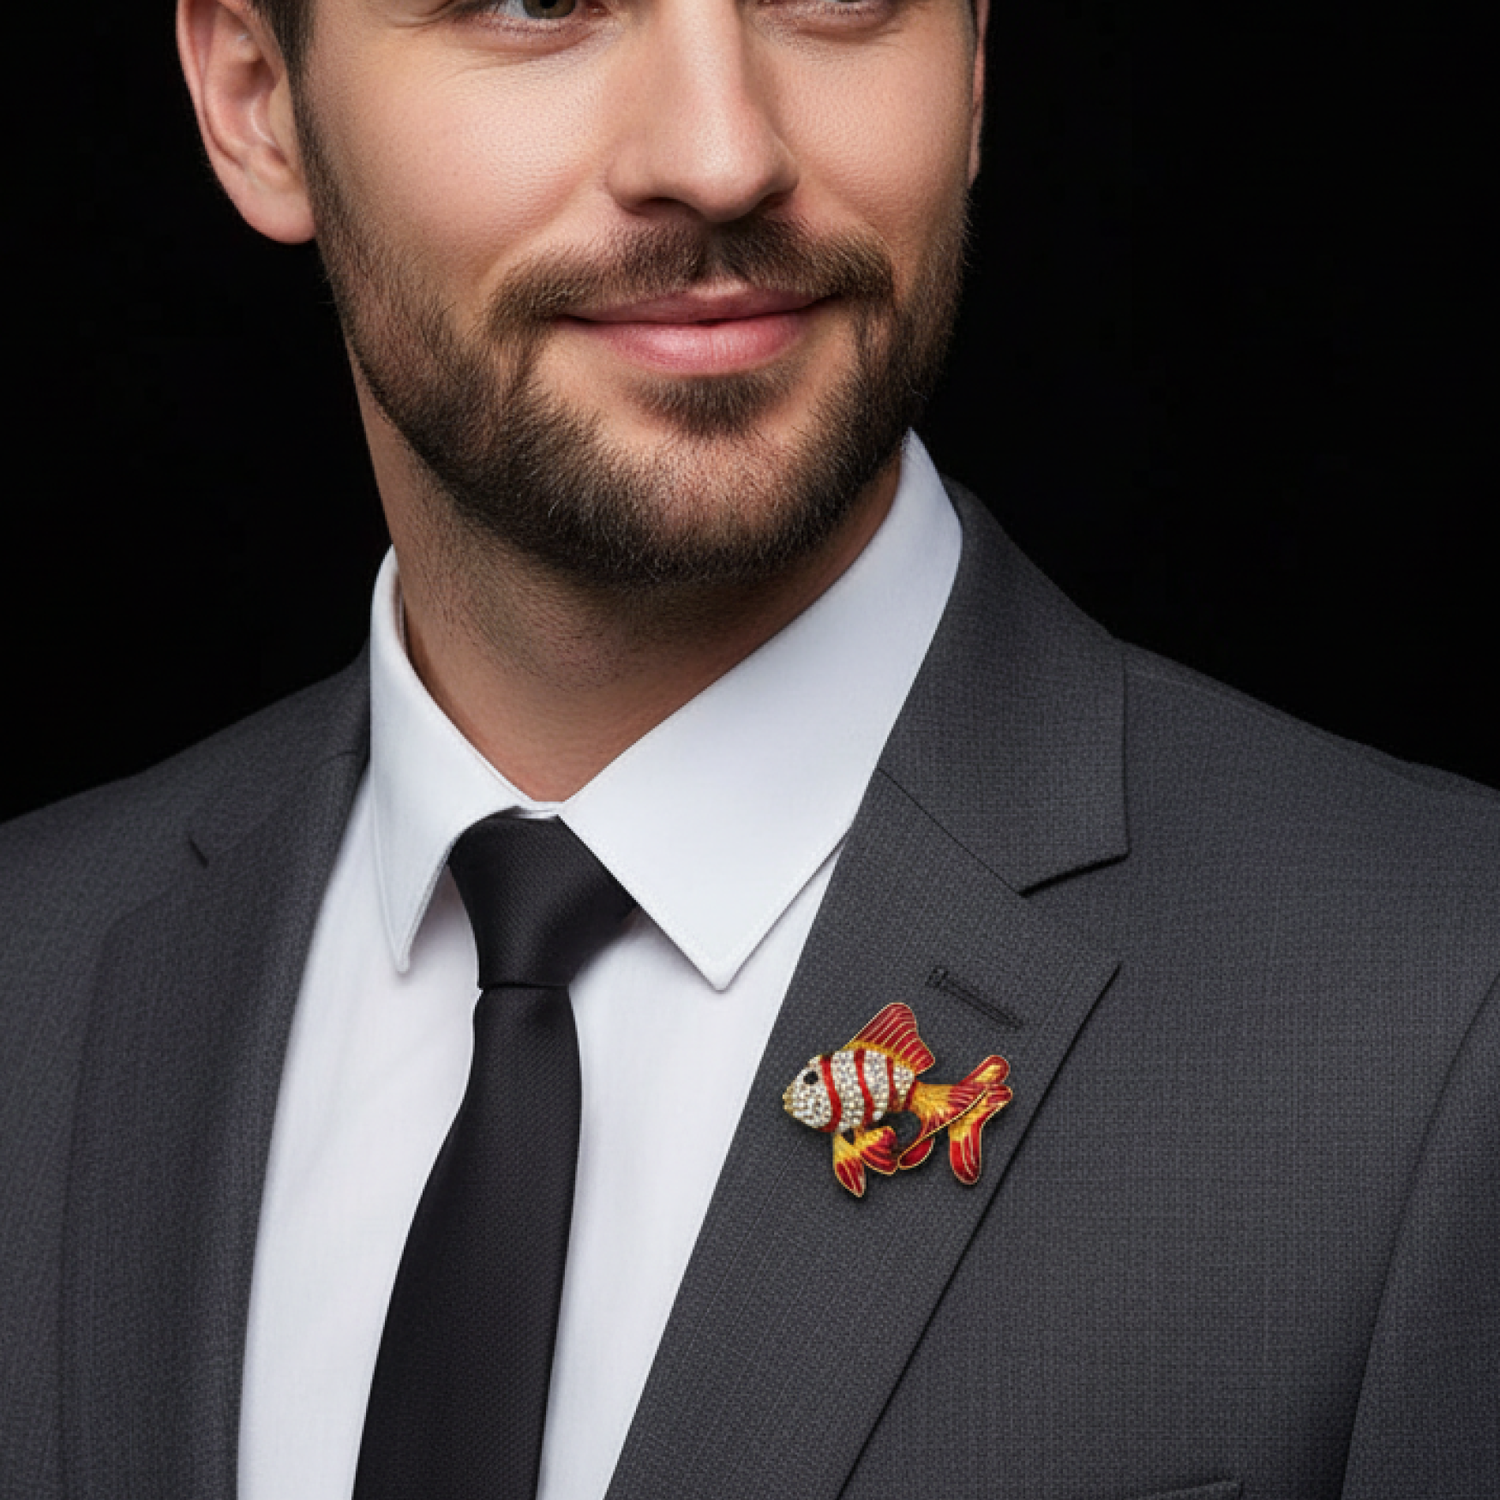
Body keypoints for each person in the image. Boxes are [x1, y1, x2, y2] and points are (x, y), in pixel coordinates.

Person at [1, 0, 1495, 1494]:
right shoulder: (30, 976)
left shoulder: (1439, 1021)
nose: (721, 156)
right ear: (258, 96)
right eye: (538, 2)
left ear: (976, 60)